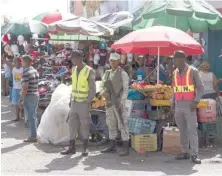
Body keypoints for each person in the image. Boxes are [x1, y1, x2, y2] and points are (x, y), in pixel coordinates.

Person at [61, 50, 96, 156]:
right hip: (74, 102)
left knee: (84, 126)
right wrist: (71, 100)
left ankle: (85, 148)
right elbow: (74, 86)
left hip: (83, 103)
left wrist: (87, 101)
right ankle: (72, 147)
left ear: (80, 58)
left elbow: (92, 89)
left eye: (74, 58)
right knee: (72, 125)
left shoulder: (89, 71)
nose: (72, 60)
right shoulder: (74, 69)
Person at [172, 50, 204, 164]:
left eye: (175, 58)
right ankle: (185, 151)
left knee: (192, 130)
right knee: (182, 130)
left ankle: (194, 154)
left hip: (190, 104)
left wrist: (196, 101)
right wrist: (172, 102)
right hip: (178, 104)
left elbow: (201, 88)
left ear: (181, 59)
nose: (174, 61)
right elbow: (174, 89)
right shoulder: (175, 72)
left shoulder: (193, 71)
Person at [100, 52, 130, 156]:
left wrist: (122, 102)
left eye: (114, 60)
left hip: (118, 102)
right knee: (111, 123)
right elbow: (102, 85)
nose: (112, 62)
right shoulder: (107, 73)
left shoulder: (123, 73)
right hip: (109, 101)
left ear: (118, 61)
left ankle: (126, 145)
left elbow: (126, 89)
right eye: (111, 60)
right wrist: (103, 92)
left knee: (122, 123)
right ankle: (112, 144)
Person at [19, 55, 39, 142]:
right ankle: (34, 134)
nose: (21, 63)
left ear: (26, 62)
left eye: (22, 61)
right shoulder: (34, 71)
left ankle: (33, 136)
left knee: (30, 117)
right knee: (33, 116)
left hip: (29, 96)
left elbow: (25, 88)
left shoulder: (26, 72)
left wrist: (21, 99)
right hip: (35, 95)